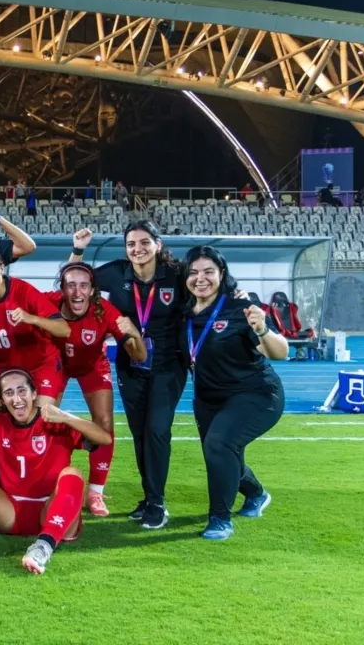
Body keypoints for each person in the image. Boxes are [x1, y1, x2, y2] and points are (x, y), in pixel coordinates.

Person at [0, 369, 112, 574]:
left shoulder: (55, 421)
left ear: (34, 393)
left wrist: (65, 417)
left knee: (73, 473)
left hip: (51, 511)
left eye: (21, 391)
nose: (16, 399)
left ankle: (43, 547)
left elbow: (105, 439)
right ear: (2, 399)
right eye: (9, 393)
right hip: (8, 512)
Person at [70, 222, 185, 529]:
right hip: (130, 364)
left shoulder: (176, 274)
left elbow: (207, 285)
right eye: (131, 244)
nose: (138, 249)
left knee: (157, 430)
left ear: (158, 244)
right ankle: (149, 497)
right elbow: (73, 278)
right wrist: (78, 249)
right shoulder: (117, 272)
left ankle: (157, 503)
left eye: (145, 242)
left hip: (168, 365)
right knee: (140, 433)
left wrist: (235, 293)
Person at [182, 246, 286, 540]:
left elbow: (279, 352)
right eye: (193, 272)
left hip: (255, 393)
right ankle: (256, 493)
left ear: (222, 274)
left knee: (219, 445)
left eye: (208, 272)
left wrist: (262, 329)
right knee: (221, 456)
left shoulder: (241, 307)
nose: (200, 278)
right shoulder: (182, 312)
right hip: (208, 399)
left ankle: (220, 518)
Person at [46, 262, 147, 517]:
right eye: (71, 285)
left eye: (84, 286)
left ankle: (95, 493)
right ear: (62, 289)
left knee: (104, 424)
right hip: (55, 364)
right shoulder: (48, 302)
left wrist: (134, 333)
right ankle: (46, 482)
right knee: (44, 419)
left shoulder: (104, 311)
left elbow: (140, 356)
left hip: (92, 365)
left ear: (92, 290)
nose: (77, 292)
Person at [0, 247, 70, 413]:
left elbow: (64, 330)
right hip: (7, 370)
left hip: (40, 365)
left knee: (40, 418)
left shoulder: (24, 291)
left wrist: (32, 318)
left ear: (1, 268)